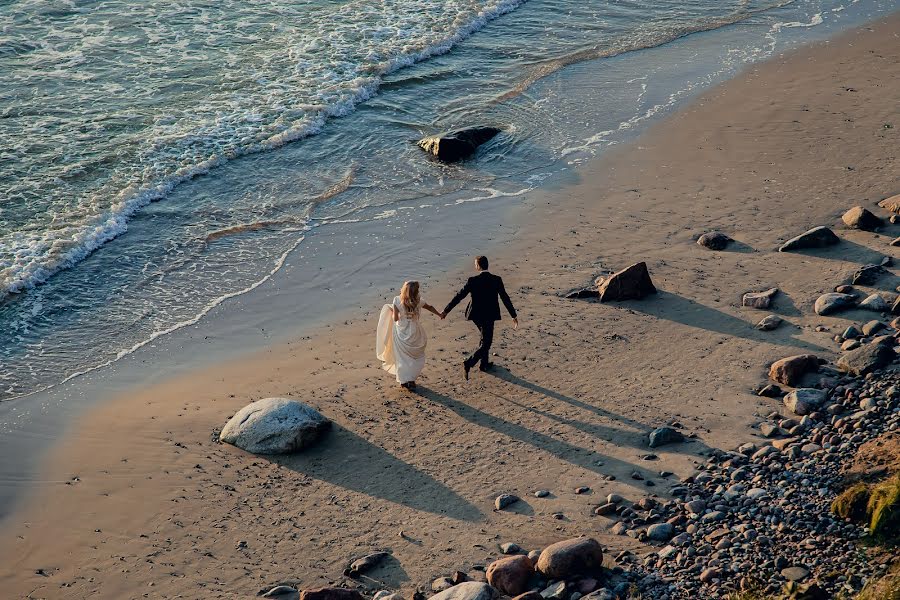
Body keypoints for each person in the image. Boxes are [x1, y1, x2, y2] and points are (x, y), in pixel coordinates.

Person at [441, 256, 518, 380]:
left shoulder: (472, 280)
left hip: (476, 315)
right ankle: (469, 363)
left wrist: (446, 311)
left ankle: (484, 364)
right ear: (487, 265)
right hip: (489, 314)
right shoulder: (496, 280)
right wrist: (513, 315)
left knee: (485, 338)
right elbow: (505, 297)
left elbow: (459, 296)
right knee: (487, 341)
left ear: (478, 266)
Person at [376, 281, 442, 390]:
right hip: (415, 332)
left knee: (401, 357)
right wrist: (440, 314)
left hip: (401, 332)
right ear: (416, 291)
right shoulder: (418, 301)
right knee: (414, 357)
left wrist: (392, 310)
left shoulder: (397, 300)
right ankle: (411, 380)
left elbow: (396, 318)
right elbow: (430, 307)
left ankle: (403, 381)